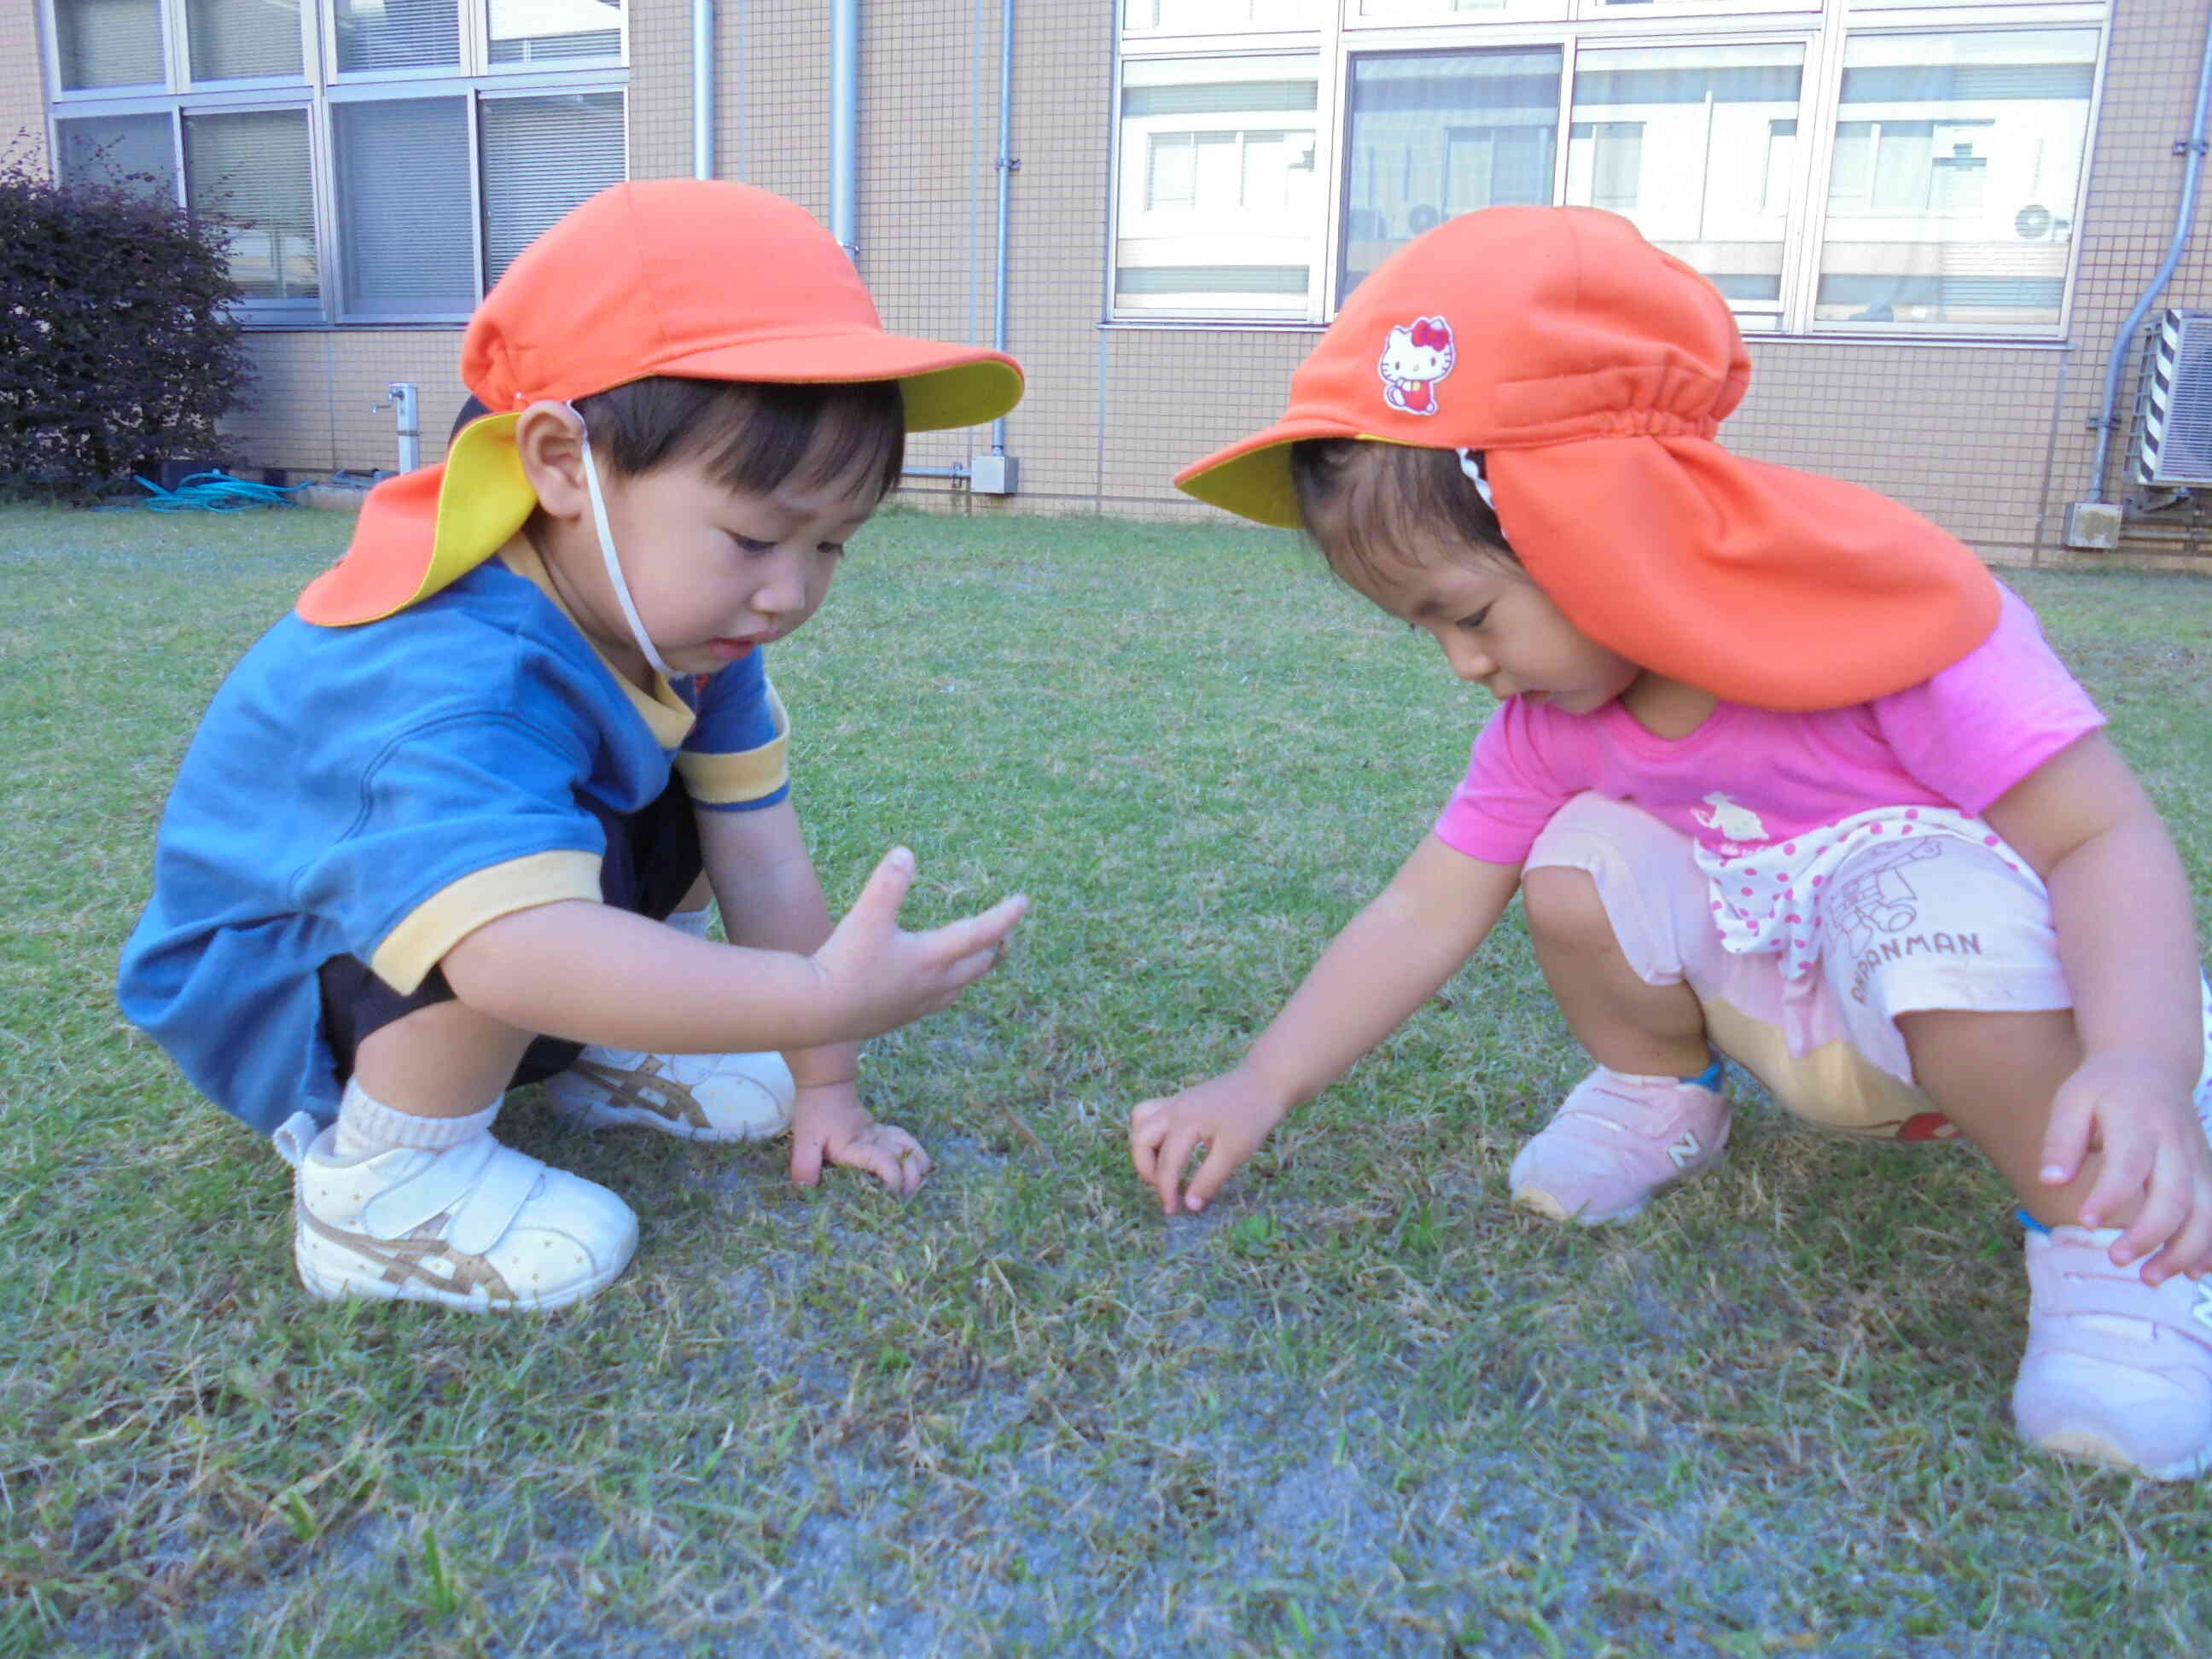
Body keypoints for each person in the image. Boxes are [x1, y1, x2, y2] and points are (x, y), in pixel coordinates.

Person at [1130, 206, 2212, 1481]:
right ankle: (1659, 1097)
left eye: (1470, 612)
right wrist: (1261, 1081)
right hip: (1792, 1000)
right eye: (1424, 629)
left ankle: (2118, 1247)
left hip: (2001, 999)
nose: (1465, 664)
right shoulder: (1553, 720)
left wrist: (2141, 1061)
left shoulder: (1887, 617)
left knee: (1914, 891)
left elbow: (2098, 838)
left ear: (1605, 519)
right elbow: (1425, 909)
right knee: (1577, 857)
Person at [119, 180, 1029, 1313]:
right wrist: (812, 997)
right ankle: (386, 1189)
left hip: (501, 931)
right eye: (753, 535)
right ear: (559, 462)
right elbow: (510, 950)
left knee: (692, 798)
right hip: (292, 986)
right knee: (494, 893)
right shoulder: (453, 676)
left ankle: (607, 1049)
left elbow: (758, 847)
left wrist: (826, 1083)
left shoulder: (688, 632)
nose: (790, 592)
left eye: (833, 545)